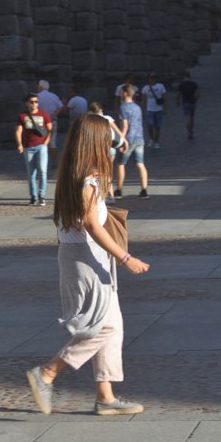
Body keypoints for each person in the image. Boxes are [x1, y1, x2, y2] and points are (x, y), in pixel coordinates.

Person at [25, 113, 150, 416]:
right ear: (96, 141)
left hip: (85, 255)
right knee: (102, 326)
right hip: (85, 258)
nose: (110, 142)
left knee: (113, 325)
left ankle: (105, 397)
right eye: (106, 137)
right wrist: (126, 257)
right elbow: (93, 225)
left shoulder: (75, 174)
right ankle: (47, 373)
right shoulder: (88, 180)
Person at [15, 93, 53, 205]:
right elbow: (18, 131)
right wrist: (19, 144)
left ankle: (42, 195)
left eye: (36, 101)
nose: (34, 104)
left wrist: (46, 143)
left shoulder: (44, 114)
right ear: (27, 103)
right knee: (31, 173)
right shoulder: (22, 116)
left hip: (41, 146)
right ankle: (33, 196)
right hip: (28, 147)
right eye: (31, 102)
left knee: (43, 170)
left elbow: (50, 129)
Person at [88, 101, 128, 203]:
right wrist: (124, 142)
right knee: (107, 172)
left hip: (100, 149)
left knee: (100, 172)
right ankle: (111, 196)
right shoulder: (108, 118)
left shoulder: (91, 121)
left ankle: (105, 195)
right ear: (101, 109)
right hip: (111, 149)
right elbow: (118, 131)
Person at [115, 85, 149, 199]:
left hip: (129, 139)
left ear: (125, 93)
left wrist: (122, 140)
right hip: (139, 138)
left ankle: (119, 190)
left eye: (121, 92)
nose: (120, 93)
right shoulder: (137, 107)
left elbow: (125, 126)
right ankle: (144, 190)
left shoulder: (123, 107)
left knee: (121, 164)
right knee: (140, 163)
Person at [37, 80, 63, 168]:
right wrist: (54, 114)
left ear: (41, 87)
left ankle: (41, 163)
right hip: (53, 121)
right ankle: (54, 163)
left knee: (40, 143)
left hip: (41, 122)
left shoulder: (37, 96)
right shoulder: (54, 96)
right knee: (52, 143)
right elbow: (61, 106)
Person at [141, 73, 167, 148]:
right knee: (150, 125)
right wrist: (143, 110)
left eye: (153, 78)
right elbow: (144, 99)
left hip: (159, 109)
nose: (152, 79)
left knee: (158, 126)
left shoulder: (160, 86)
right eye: (150, 78)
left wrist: (165, 108)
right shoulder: (145, 88)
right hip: (149, 109)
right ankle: (151, 139)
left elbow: (164, 97)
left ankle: (156, 141)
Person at [177, 71, 199, 140]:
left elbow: (178, 94)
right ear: (190, 77)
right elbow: (197, 94)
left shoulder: (181, 84)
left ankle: (189, 132)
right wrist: (195, 99)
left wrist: (177, 101)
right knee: (192, 118)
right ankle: (191, 131)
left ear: (184, 77)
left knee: (187, 118)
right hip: (192, 102)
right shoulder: (194, 84)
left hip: (185, 102)